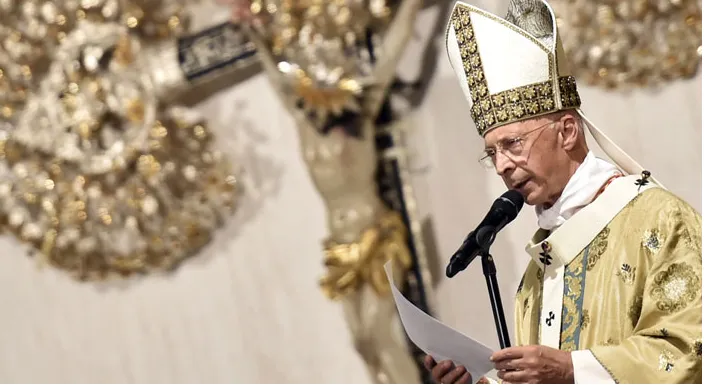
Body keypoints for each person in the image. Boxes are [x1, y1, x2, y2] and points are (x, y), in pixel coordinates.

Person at [424, 0, 702, 383]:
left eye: (513, 144)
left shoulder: (659, 220)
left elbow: (688, 351)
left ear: (567, 131)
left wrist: (572, 369)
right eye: (492, 153)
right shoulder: (538, 276)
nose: (503, 165)